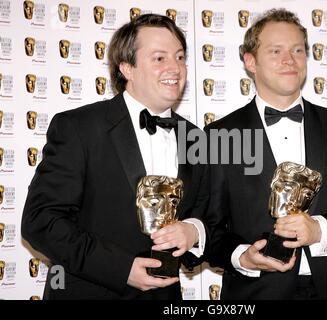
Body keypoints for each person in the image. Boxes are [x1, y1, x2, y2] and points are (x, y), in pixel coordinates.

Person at [205, 8, 327, 300]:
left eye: (297, 50)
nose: (289, 60)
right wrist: (243, 256)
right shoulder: (220, 135)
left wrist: (320, 231)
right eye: (275, 51)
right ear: (250, 61)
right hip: (255, 294)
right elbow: (209, 229)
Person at [21, 14, 209, 300]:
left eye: (180, 57)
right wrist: (121, 269)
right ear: (126, 68)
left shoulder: (196, 137)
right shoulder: (79, 127)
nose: (175, 68)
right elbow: (41, 221)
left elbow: (208, 214)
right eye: (159, 58)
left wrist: (193, 231)